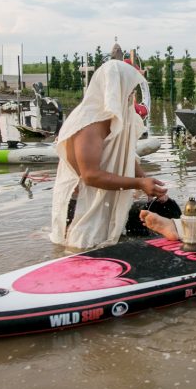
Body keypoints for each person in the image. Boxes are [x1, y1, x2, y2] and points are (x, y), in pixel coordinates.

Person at [50, 59, 168, 249]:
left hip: (103, 200)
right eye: (129, 90)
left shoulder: (117, 117)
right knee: (80, 250)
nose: (131, 96)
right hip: (81, 209)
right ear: (114, 89)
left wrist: (147, 181)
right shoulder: (89, 124)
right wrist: (139, 184)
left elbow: (125, 154)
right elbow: (90, 176)